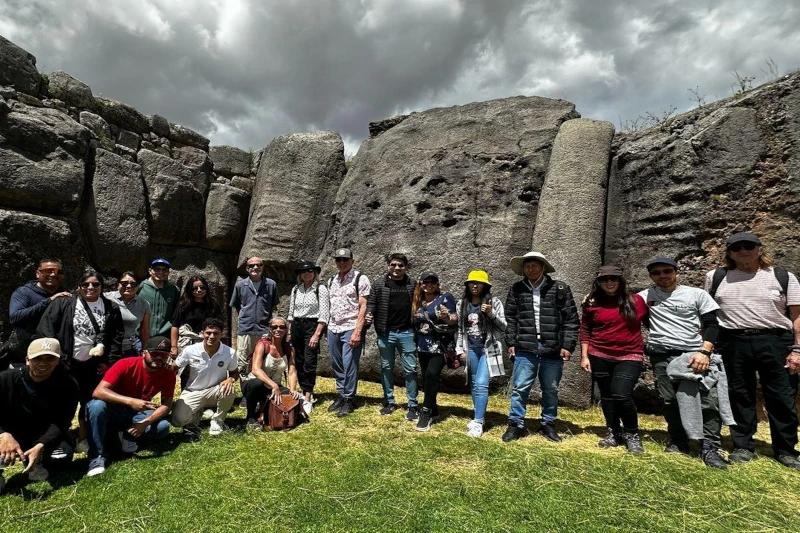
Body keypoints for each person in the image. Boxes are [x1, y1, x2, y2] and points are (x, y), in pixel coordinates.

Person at [705, 232, 800, 469]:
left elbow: (797, 317)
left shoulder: (783, 277)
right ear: (729, 253)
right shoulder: (716, 277)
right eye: (736, 248)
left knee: (782, 395)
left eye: (749, 246)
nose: (743, 251)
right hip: (733, 341)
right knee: (739, 395)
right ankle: (742, 446)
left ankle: (786, 449)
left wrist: (797, 349)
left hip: (776, 341)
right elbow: (708, 314)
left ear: (760, 249)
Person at [640, 257, 727, 469]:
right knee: (670, 400)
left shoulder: (696, 294)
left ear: (676, 272)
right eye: (657, 273)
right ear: (651, 276)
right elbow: (620, 304)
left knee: (706, 400)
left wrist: (705, 352)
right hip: (661, 355)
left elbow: (712, 325)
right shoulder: (644, 297)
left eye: (667, 271)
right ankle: (679, 441)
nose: (663, 276)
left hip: (693, 354)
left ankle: (710, 446)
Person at [37, 268, 124, 453]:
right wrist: (59, 359)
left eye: (95, 284)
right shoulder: (64, 304)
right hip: (67, 362)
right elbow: (46, 329)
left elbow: (116, 336)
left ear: (102, 287)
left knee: (89, 401)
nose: (90, 287)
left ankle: (85, 438)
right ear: (79, 286)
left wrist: (108, 361)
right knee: (61, 401)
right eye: (85, 284)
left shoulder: (111, 307)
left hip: (94, 363)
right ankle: (55, 440)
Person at [502, 251, 579, 444]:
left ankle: (548, 424)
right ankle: (515, 424)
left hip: (552, 346)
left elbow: (571, 319)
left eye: (535, 265)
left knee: (551, 388)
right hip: (525, 346)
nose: (531, 269)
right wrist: (511, 342)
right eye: (527, 266)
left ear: (543, 267)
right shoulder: (517, 289)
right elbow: (510, 317)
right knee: (520, 387)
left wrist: (568, 345)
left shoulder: (559, 288)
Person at [579, 266, 649, 454]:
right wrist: (584, 356)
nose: (609, 283)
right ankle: (613, 432)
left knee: (621, 394)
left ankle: (632, 434)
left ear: (620, 281)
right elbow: (585, 330)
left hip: (629, 355)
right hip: (599, 354)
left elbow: (651, 322)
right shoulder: (592, 303)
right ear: (599, 282)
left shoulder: (636, 301)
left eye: (613, 279)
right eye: (605, 280)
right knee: (607, 396)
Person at [85, 336, 176, 477]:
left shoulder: (169, 374)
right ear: (143, 352)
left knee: (162, 427)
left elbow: (166, 405)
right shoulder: (125, 364)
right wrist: (130, 401)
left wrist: (145, 423)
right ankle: (96, 457)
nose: (159, 358)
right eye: (154, 354)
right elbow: (98, 392)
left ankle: (127, 435)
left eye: (163, 355)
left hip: (136, 413)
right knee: (96, 406)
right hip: (113, 409)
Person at [0, 338, 79, 493]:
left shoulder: (68, 384)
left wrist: (41, 445)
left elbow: (62, 422)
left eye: (50, 358)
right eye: (37, 358)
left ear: (58, 361)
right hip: (9, 434)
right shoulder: (4, 379)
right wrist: (3, 435)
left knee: (62, 458)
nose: (43, 363)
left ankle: (37, 460)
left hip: (41, 434)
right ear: (27, 360)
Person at [366, 253, 419, 420]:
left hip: (407, 333)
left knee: (410, 369)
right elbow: (372, 303)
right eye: (394, 265)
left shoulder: (412, 284)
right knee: (386, 368)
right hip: (386, 333)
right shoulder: (379, 284)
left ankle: (412, 404)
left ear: (406, 267)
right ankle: (389, 401)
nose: (397, 268)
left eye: (401, 265)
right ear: (388, 266)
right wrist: (369, 314)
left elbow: (419, 303)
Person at [455, 270, 506, 438]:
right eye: (471, 282)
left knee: (482, 384)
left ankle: (477, 423)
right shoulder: (462, 304)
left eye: (479, 283)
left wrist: (490, 313)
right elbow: (461, 330)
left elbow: (504, 327)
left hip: (488, 349)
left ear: (485, 286)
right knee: (474, 382)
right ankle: (480, 416)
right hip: (471, 348)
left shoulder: (494, 302)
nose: (474, 285)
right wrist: (459, 349)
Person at [170, 318, 238, 436]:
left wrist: (230, 379)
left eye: (216, 333)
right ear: (202, 333)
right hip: (193, 391)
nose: (211, 336)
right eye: (208, 333)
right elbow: (175, 366)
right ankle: (196, 415)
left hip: (215, 390)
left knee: (229, 389)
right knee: (177, 421)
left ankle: (217, 420)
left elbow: (234, 372)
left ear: (221, 334)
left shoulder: (230, 352)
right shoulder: (190, 350)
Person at [326, 248, 371, 417]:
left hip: (351, 327)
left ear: (352, 261)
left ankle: (349, 398)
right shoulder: (332, 280)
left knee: (349, 363)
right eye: (339, 260)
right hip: (334, 327)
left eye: (345, 259)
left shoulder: (360, 278)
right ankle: (341, 394)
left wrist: (357, 331)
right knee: (337, 363)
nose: (342, 263)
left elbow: (363, 306)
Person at [3, 259, 71, 369]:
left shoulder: (65, 295)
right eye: (48, 271)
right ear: (38, 274)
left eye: (58, 272)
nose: (53, 274)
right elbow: (15, 317)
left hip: (52, 357)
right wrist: (48, 301)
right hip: (22, 356)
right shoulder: (24, 292)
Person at [411, 271, 457, 431]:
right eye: (425, 282)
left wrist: (445, 317)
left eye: (432, 282)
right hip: (422, 346)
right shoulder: (418, 301)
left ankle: (426, 411)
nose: (428, 285)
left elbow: (454, 320)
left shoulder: (445, 298)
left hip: (440, 346)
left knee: (432, 374)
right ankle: (435, 409)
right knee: (427, 378)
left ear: (437, 284)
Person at [240, 317, 305, 428]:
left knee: (292, 398)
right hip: (254, 383)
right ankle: (251, 417)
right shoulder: (263, 345)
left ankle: (269, 413)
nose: (278, 329)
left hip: (274, 386)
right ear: (270, 329)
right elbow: (256, 369)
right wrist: (274, 385)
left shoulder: (289, 349)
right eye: (274, 327)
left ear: (286, 329)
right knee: (256, 384)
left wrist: (293, 389)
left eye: (282, 327)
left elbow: (292, 371)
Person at [287, 261, 329, 409]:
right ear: (300, 274)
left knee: (309, 361)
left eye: (310, 271)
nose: (307, 273)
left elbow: (324, 315)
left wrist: (316, 335)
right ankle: (299, 390)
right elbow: (291, 313)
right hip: (297, 326)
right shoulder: (295, 289)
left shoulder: (320, 289)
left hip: (312, 325)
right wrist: (289, 332)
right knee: (297, 360)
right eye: (304, 271)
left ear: (315, 273)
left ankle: (308, 396)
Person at [230, 256, 279, 375]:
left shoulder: (271, 284)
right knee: (243, 361)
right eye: (251, 265)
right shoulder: (240, 286)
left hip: (264, 329)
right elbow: (237, 307)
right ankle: (246, 389)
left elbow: (274, 306)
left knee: (264, 361)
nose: (255, 267)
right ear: (247, 268)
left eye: (258, 265)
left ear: (263, 267)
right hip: (246, 329)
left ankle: (263, 388)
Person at [170, 275, 222, 357]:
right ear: (189, 290)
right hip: (187, 343)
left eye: (202, 287)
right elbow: (175, 326)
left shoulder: (213, 304)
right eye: (195, 288)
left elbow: (219, 325)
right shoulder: (183, 305)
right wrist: (174, 347)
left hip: (208, 341)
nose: (199, 290)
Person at [105, 272, 151, 361]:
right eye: (124, 283)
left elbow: (145, 330)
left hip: (128, 349)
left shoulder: (144, 304)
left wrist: (144, 349)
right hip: (107, 347)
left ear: (138, 286)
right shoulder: (105, 298)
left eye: (133, 284)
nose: (129, 286)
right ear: (118, 284)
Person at [137, 258, 180, 341]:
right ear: (150, 271)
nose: (161, 272)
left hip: (164, 337)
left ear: (168, 272)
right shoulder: (140, 287)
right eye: (157, 269)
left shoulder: (173, 289)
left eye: (164, 270)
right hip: (140, 336)